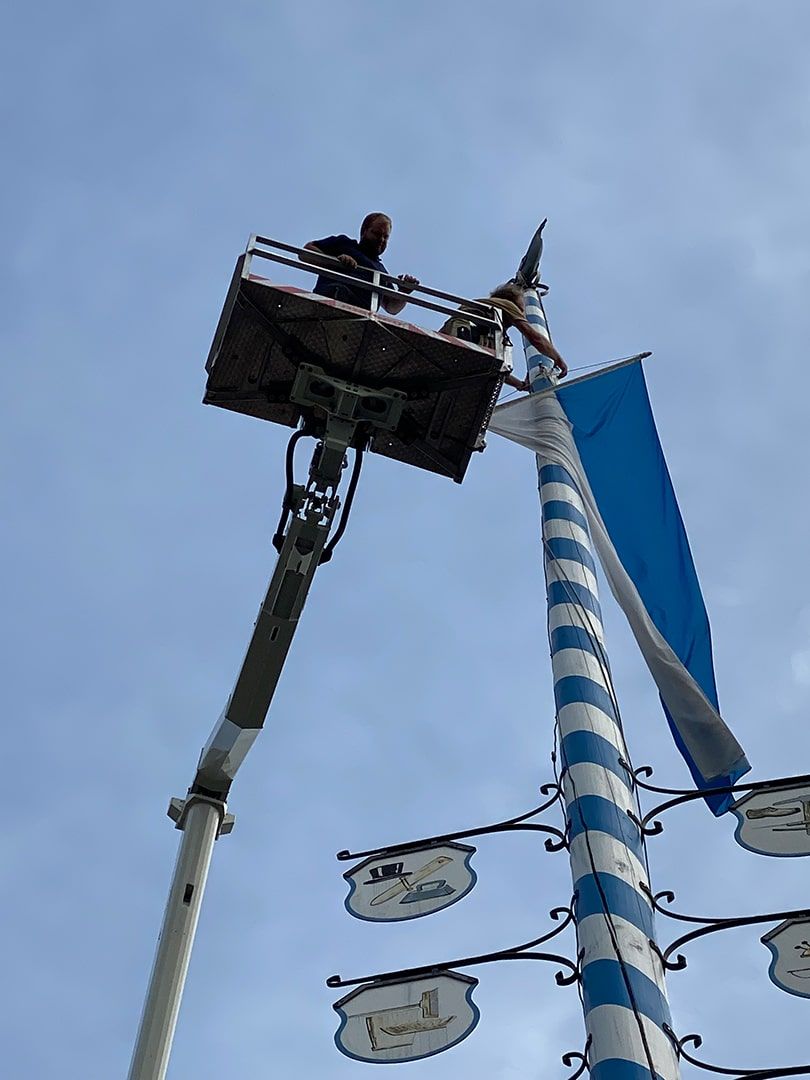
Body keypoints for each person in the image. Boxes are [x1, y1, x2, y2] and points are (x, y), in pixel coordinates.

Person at [441, 282, 568, 391]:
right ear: (514, 301)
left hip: (451, 342)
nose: (523, 312)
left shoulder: (490, 323)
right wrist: (558, 360)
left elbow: (496, 367)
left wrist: (520, 385)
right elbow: (535, 338)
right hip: (465, 334)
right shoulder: (507, 304)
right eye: (522, 306)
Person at [301, 213, 419, 314]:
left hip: (361, 315)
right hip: (329, 301)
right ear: (364, 231)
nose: (381, 240)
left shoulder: (381, 272)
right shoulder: (344, 244)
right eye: (377, 234)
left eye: (385, 237)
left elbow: (391, 307)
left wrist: (404, 292)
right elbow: (305, 252)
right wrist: (335, 261)